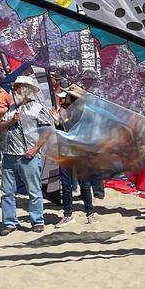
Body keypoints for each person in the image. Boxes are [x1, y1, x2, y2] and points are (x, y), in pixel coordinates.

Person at [0, 76, 53, 236]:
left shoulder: (38, 109)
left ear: (26, 90)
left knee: (33, 191)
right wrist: (11, 121)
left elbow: (47, 132)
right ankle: (9, 222)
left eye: (18, 87)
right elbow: (0, 127)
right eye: (15, 88)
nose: (15, 91)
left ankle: (37, 221)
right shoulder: (12, 109)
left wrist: (35, 149)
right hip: (9, 155)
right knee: (7, 192)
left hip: (29, 156)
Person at [54, 86, 97, 226]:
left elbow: (78, 131)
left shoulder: (85, 113)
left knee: (84, 184)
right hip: (66, 151)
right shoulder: (65, 110)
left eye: (67, 95)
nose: (64, 97)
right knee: (66, 184)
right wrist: (57, 122)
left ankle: (90, 213)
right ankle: (68, 214)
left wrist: (63, 121)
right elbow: (61, 131)